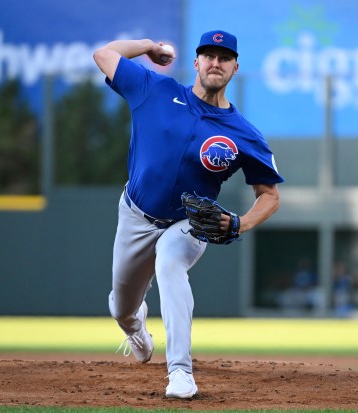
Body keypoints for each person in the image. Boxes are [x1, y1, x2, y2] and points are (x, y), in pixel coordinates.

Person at [92, 30, 284, 398]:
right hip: (136, 216)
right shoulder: (156, 90)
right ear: (196, 62)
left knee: (169, 264)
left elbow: (269, 196)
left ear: (234, 67)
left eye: (224, 57)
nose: (216, 62)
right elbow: (104, 54)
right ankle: (136, 330)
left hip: (189, 224)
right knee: (121, 308)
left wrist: (242, 223)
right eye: (209, 55)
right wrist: (147, 47)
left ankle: (180, 372)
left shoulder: (244, 134)